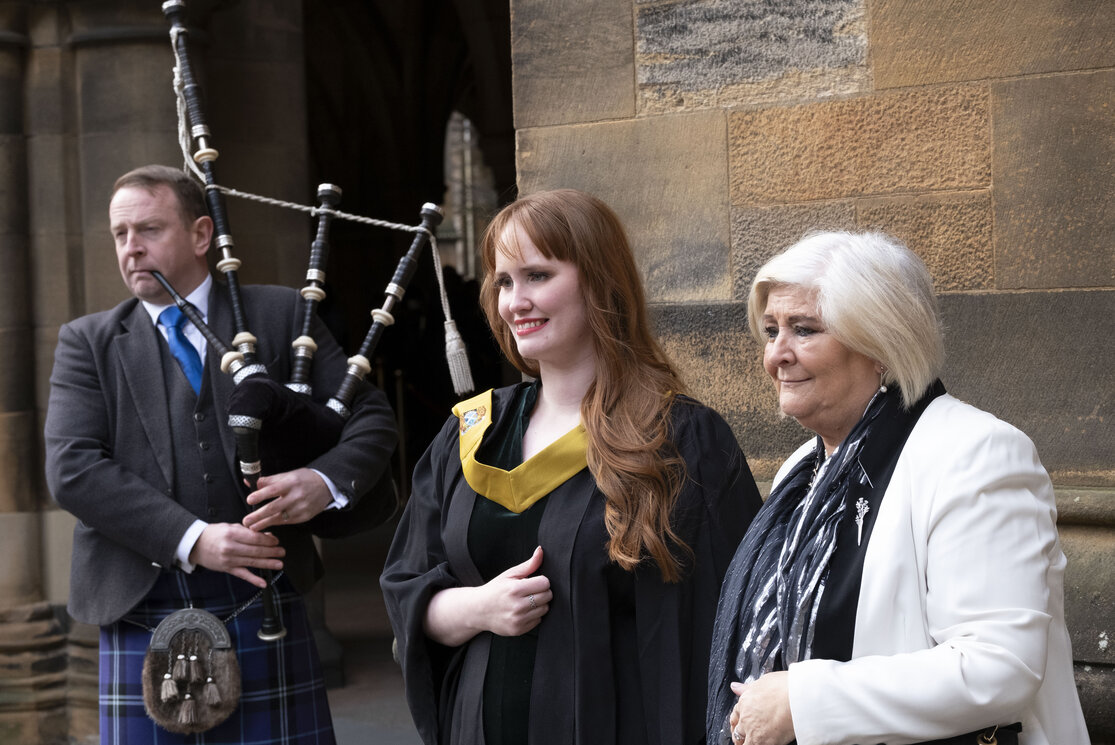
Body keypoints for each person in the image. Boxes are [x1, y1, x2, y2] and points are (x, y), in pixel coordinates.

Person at [381, 188, 763, 745]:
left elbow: (733, 625)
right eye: (504, 281)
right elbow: (406, 592)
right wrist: (478, 607)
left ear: (600, 282)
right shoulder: (469, 434)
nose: (515, 301)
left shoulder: (680, 440)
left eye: (538, 275)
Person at [43, 164, 398, 744]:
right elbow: (73, 470)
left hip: (266, 601)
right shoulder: (90, 342)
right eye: (120, 235)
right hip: (143, 600)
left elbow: (371, 418)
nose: (131, 249)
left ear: (202, 234)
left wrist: (322, 479)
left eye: (149, 229)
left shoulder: (282, 317)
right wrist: (192, 539)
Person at [707, 231, 1091, 745]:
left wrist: (803, 701)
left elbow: (1000, 667)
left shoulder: (976, 453)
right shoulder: (801, 472)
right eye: (771, 330)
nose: (777, 354)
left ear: (880, 345)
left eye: (804, 329)